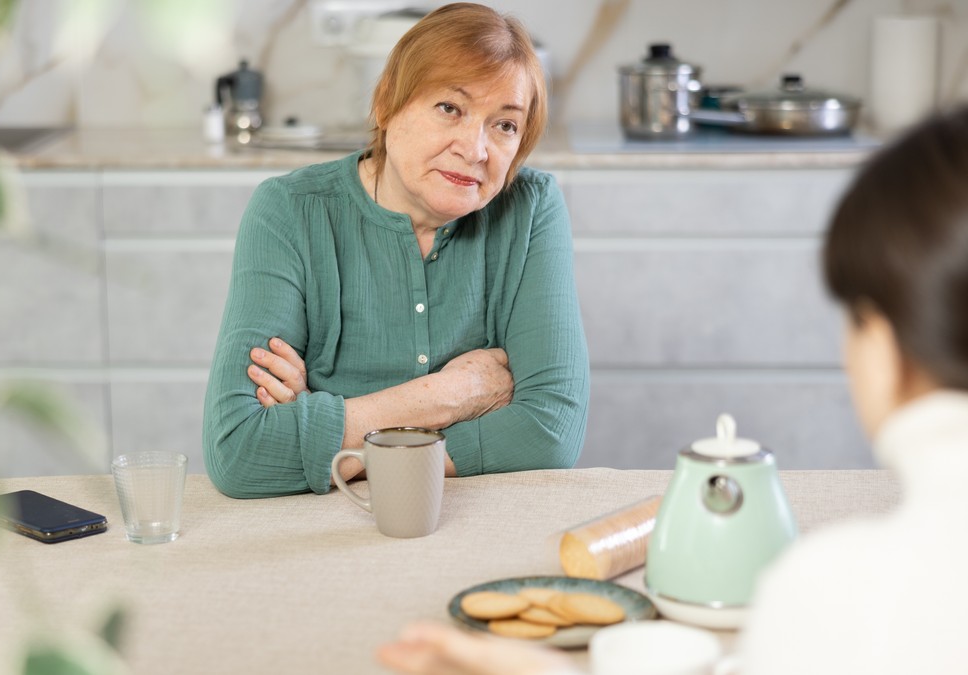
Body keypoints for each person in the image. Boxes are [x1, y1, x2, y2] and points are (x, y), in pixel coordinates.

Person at [377, 105, 968, 674]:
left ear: (886, 350)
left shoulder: (839, 593)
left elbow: (547, 428)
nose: (475, 146)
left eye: (855, 317)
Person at [202, 3, 589, 498]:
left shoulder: (532, 207)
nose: (475, 149)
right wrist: (454, 396)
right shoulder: (288, 211)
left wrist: (322, 435)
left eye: (505, 126)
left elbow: (550, 434)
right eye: (450, 108)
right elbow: (239, 450)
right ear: (387, 103)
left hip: (485, 523)